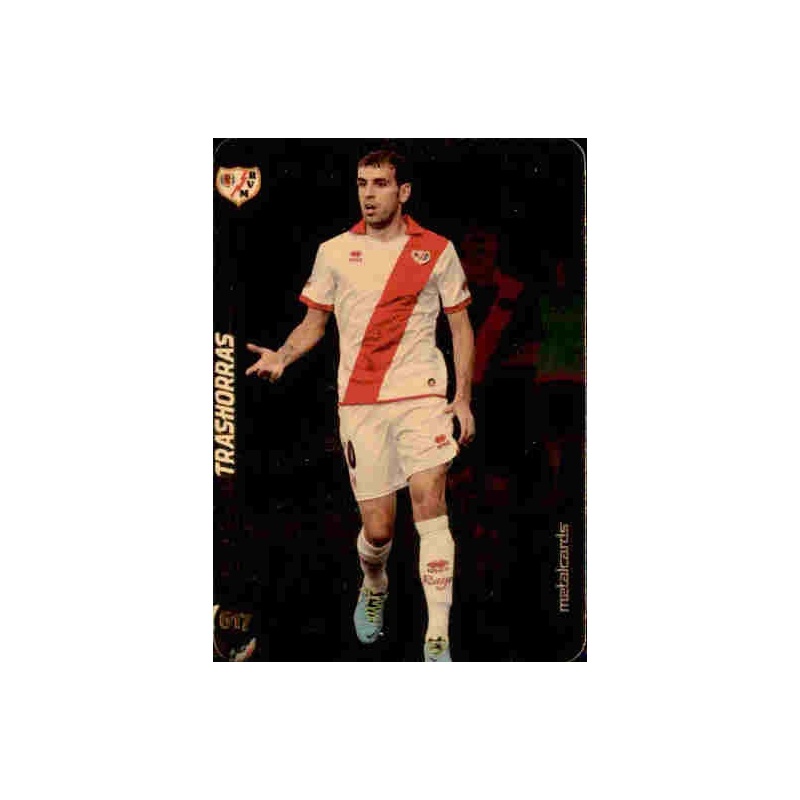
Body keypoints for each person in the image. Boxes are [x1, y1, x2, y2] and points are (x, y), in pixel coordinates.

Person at [245, 149, 475, 661]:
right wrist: (283, 356)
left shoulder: (437, 250)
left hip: (422, 396)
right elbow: (314, 323)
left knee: (430, 501)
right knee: (379, 529)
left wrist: (462, 398)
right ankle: (374, 583)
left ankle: (437, 634)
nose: (368, 195)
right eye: (361, 184)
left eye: (380, 184)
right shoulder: (334, 251)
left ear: (403, 191)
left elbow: (460, 326)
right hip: (361, 402)